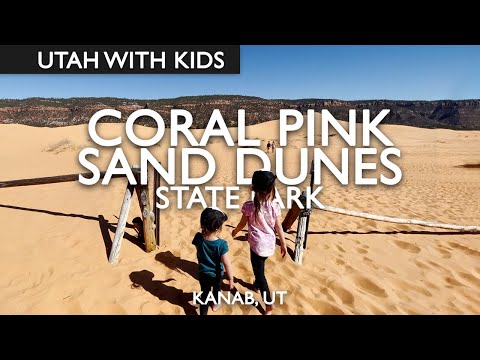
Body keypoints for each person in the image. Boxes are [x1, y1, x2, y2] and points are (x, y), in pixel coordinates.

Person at [231, 170, 287, 315]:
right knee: (259, 268)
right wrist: (284, 244)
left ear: (253, 188)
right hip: (269, 245)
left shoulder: (249, 206)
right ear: (271, 189)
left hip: (256, 246)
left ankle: (268, 304)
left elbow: (242, 224)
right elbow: (279, 227)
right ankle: (256, 285)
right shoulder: (274, 205)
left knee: (260, 273)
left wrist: (235, 231)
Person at [192, 207, 234, 315]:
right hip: (216, 275)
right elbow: (227, 264)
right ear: (217, 228)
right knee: (216, 290)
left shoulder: (198, 238)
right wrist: (231, 279)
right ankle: (215, 305)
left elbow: (199, 250)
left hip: (203, 273)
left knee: (204, 294)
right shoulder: (221, 244)